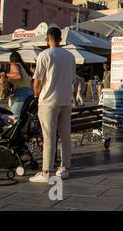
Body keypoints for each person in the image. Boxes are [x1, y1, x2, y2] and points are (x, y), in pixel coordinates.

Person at [29, 27, 76, 183]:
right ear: (60, 39)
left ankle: (46, 171)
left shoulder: (44, 55)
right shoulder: (70, 56)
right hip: (65, 100)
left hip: (48, 101)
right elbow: (72, 79)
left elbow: (37, 82)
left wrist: (37, 96)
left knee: (49, 137)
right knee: (65, 135)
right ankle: (65, 168)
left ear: (47, 39)